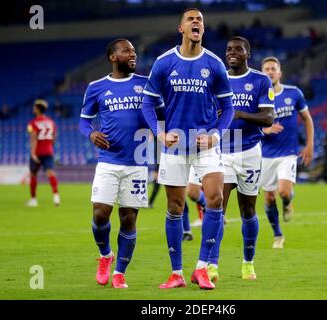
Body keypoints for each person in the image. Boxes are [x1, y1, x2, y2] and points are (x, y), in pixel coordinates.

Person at [142, 8, 234, 290]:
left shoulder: (215, 64)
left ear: (203, 30)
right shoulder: (164, 62)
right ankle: (176, 273)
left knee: (216, 198)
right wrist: (159, 132)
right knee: (174, 205)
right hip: (174, 146)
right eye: (191, 19)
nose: (197, 22)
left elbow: (228, 107)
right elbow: (147, 102)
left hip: (206, 144)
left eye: (201, 20)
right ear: (181, 28)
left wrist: (216, 136)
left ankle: (202, 268)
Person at [79, 38, 163, 289]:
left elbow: (162, 113)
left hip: (137, 164)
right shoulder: (96, 87)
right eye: (127, 51)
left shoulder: (145, 84)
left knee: (128, 219)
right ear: (113, 57)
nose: (133, 54)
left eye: (134, 51)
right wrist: (91, 134)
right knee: (100, 213)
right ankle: (106, 255)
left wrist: (160, 130)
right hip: (108, 161)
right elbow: (84, 121)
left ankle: (120, 273)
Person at [201, 36, 275, 282]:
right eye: (229, 49)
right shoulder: (215, 80)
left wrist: (239, 113)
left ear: (247, 53)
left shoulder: (260, 80)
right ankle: (212, 264)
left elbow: (268, 118)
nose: (232, 52)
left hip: (251, 153)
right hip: (222, 152)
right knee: (217, 208)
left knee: (248, 210)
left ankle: (248, 263)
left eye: (238, 49)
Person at [260, 56, 314, 249]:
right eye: (266, 69)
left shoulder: (294, 93)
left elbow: (307, 119)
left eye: (273, 68)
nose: (270, 72)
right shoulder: (258, 97)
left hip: (288, 153)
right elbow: (248, 124)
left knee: (283, 191)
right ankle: (278, 235)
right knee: (268, 197)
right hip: (264, 155)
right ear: (262, 73)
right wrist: (264, 130)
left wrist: (309, 145)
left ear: (280, 73)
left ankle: (288, 201)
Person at [27, 99, 60, 207]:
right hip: (48, 150)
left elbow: (34, 138)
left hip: (37, 151)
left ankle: (33, 200)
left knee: (33, 175)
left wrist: (33, 153)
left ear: (37, 109)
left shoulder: (33, 123)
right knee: (50, 173)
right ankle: (56, 196)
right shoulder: (51, 122)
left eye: (34, 107)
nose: (33, 109)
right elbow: (54, 137)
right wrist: (49, 146)